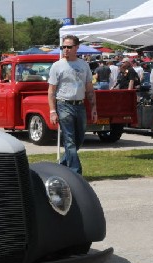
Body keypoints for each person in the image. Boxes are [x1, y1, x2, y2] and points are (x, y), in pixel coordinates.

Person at [48, 34, 97, 175]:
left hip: (80, 105)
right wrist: (52, 111)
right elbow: (51, 91)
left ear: (76, 48)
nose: (66, 50)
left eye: (69, 47)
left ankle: (62, 165)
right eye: (63, 47)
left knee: (79, 139)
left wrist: (94, 108)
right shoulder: (57, 66)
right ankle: (76, 173)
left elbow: (89, 88)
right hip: (64, 104)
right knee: (69, 140)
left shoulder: (84, 65)